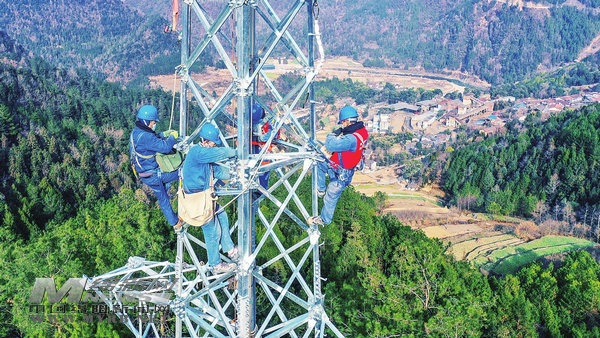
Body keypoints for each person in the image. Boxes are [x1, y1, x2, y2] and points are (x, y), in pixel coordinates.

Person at [181, 124, 238, 273]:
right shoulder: (197, 152)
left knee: (222, 214)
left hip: (202, 200)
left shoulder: (202, 157)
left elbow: (217, 171)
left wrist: (235, 172)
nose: (214, 145)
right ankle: (215, 264)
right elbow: (220, 153)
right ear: (205, 141)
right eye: (213, 142)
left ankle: (229, 249)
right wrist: (236, 152)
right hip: (197, 203)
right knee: (213, 232)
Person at [308, 106, 369, 226]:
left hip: (342, 175)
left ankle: (324, 220)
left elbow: (330, 145)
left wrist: (332, 134)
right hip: (337, 166)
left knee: (331, 195)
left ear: (347, 121)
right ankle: (321, 189)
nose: (342, 124)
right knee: (319, 162)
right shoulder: (362, 132)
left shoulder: (351, 139)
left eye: (342, 122)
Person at [130, 105, 184, 229]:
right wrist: (172, 137)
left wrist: (163, 134)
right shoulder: (146, 136)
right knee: (184, 170)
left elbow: (152, 139)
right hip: (155, 175)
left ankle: (175, 223)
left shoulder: (136, 133)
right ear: (147, 121)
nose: (154, 124)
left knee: (163, 198)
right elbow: (165, 147)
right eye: (153, 122)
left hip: (145, 175)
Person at [250, 103, 280, 193]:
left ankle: (260, 191)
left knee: (263, 168)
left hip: (263, 148)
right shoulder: (251, 115)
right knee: (249, 166)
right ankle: (252, 188)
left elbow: (274, 133)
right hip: (252, 145)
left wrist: (261, 138)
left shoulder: (271, 118)